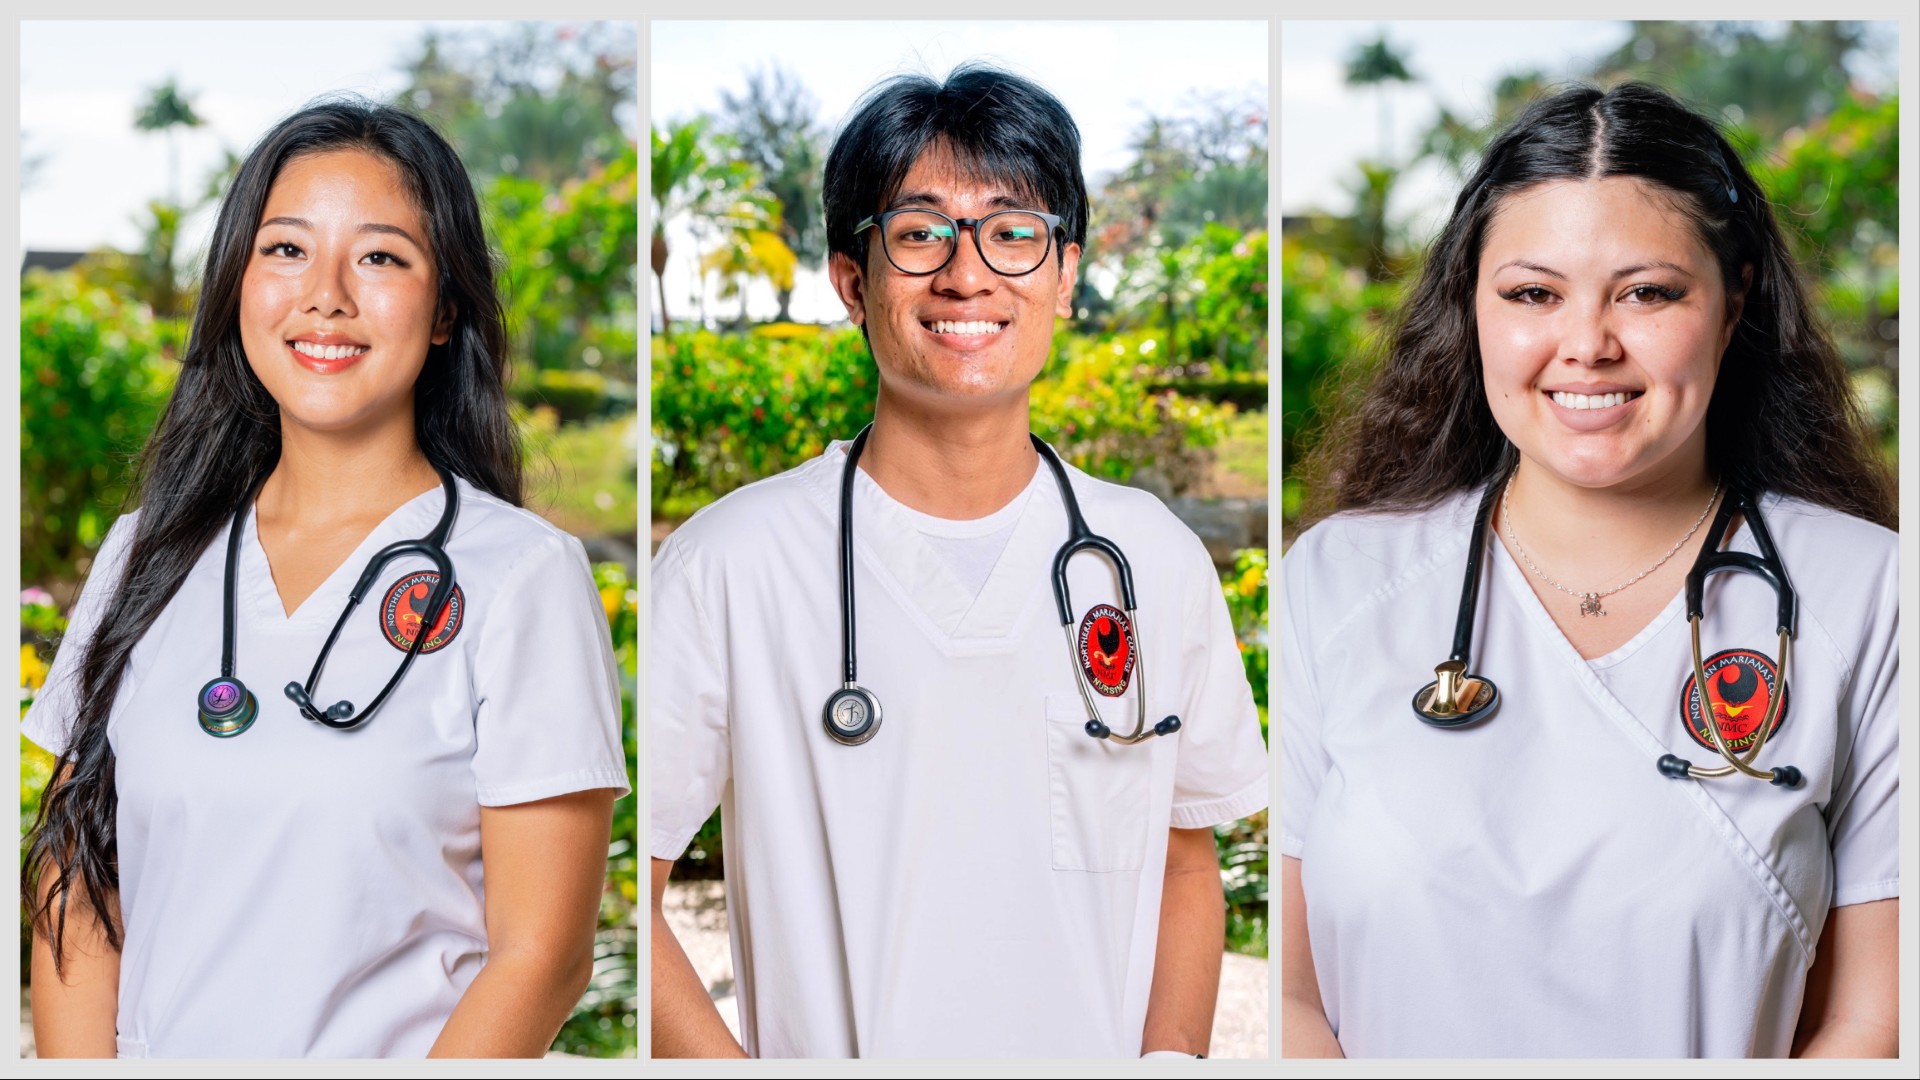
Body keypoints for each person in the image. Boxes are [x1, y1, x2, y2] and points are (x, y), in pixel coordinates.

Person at [649, 65, 1268, 1059]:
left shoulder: (1149, 559)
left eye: (1012, 233)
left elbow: (1186, 862)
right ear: (854, 280)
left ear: (1065, 274)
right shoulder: (731, 564)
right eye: (920, 231)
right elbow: (619, 893)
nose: (967, 275)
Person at [1280, 82, 1898, 1058]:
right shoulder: (1339, 578)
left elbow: (1877, 1021)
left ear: (1733, 303)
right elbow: (1292, 1002)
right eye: (1532, 293)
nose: (1588, 345)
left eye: (1648, 292)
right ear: (1470, 307)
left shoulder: (1873, 596)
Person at [21, 98, 630, 1058]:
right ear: (235, 284)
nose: (326, 296)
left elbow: (541, 956)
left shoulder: (522, 579)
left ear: (445, 313)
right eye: (287, 250)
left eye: (382, 257)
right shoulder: (146, 552)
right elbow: (76, 882)